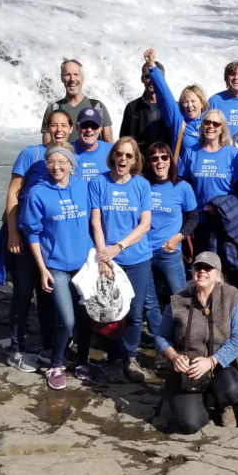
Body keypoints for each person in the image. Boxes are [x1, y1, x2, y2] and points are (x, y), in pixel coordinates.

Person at [0, 109, 74, 372]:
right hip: (23, 237)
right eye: (54, 125)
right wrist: (13, 232)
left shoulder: (67, 158)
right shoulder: (31, 154)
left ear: (71, 129)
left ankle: (46, 348)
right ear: (47, 128)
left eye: (63, 125)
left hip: (48, 242)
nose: (59, 130)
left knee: (46, 295)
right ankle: (16, 350)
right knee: (22, 293)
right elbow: (13, 192)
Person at [19, 142, 93, 391]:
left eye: (62, 162)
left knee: (85, 318)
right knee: (67, 319)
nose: (56, 166)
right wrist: (42, 269)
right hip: (56, 268)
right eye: (51, 162)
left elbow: (97, 221)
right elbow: (32, 233)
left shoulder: (84, 187)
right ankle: (55, 365)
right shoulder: (38, 193)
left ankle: (82, 362)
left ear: (72, 165)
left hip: (83, 267)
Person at [155, 252, 238, 432]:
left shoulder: (231, 297)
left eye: (208, 268)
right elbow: (160, 336)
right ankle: (197, 400)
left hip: (218, 365)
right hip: (187, 370)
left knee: (234, 390)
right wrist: (173, 356)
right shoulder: (177, 301)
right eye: (198, 267)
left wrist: (212, 361)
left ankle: (223, 404)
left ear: (218, 273)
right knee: (190, 425)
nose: (202, 271)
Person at [89, 137, 153, 383]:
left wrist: (119, 247)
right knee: (112, 313)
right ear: (112, 156)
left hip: (136, 258)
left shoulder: (142, 185)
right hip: (109, 259)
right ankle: (114, 360)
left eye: (128, 155)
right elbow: (96, 222)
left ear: (135, 160)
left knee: (135, 313)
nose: (123, 159)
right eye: (119, 154)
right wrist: (103, 255)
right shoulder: (99, 182)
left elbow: (145, 224)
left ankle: (130, 357)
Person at [144, 141, 199, 339]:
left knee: (180, 296)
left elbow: (193, 218)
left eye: (164, 157)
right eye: (155, 158)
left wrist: (178, 237)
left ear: (170, 160)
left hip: (169, 250)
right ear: (149, 162)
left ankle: (186, 337)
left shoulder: (182, 187)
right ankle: (159, 340)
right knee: (149, 300)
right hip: (142, 251)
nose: (160, 162)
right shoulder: (142, 184)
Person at [180, 108, 238, 256]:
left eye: (216, 124)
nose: (211, 126)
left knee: (228, 266)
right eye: (207, 122)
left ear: (222, 128)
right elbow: (183, 188)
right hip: (198, 221)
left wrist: (221, 209)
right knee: (203, 267)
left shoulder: (231, 153)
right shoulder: (191, 152)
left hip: (226, 222)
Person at [142, 48, 207, 157]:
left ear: (202, 102)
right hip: (181, 174)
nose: (189, 105)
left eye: (193, 101)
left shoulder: (211, 122)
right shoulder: (179, 120)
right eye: (185, 102)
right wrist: (152, 66)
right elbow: (165, 95)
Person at [41, 59, 113, 144]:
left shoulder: (97, 107)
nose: (72, 79)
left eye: (76, 74)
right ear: (62, 78)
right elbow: (47, 147)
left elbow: (109, 145)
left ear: (83, 77)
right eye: (67, 74)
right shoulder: (52, 109)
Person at [120, 58, 172, 152]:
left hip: (164, 162)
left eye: (156, 76)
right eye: (148, 76)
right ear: (142, 79)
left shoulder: (173, 108)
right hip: (140, 164)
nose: (152, 80)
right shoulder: (132, 108)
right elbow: (123, 141)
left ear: (163, 79)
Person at [73, 107, 112, 182]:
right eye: (85, 125)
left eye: (94, 126)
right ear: (77, 127)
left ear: (100, 128)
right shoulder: (66, 151)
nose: (89, 129)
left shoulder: (112, 150)